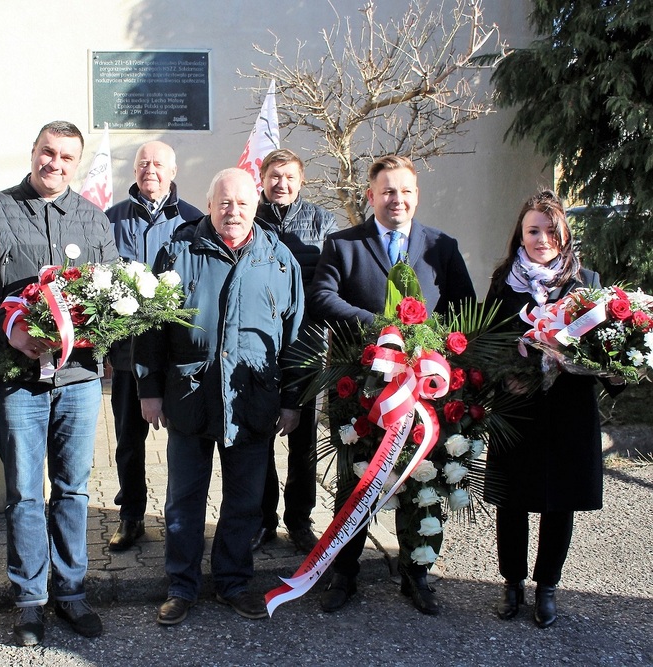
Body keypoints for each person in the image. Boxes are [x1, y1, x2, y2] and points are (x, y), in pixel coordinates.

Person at [0, 121, 118, 646]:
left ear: (77, 162)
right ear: (33, 152)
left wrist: (97, 331)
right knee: (24, 493)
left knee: (72, 489)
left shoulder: (93, 218)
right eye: (49, 153)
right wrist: (9, 327)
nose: (56, 164)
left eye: (68, 157)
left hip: (78, 378)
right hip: (18, 377)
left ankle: (71, 593)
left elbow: (111, 288)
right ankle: (29, 600)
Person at [307, 155, 475, 615]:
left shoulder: (441, 246)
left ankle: (416, 572)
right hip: (360, 390)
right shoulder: (343, 245)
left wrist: (428, 342)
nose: (396, 199)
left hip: (423, 389)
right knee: (357, 480)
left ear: (416, 196)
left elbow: (465, 308)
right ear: (371, 195)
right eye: (386, 191)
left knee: (422, 475)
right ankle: (345, 574)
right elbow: (322, 297)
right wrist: (382, 328)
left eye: (405, 191)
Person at [135, 168, 304, 626]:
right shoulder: (177, 251)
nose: (233, 212)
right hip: (189, 398)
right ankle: (182, 586)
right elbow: (150, 328)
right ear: (209, 205)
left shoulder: (279, 259)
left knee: (244, 501)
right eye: (224, 202)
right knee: (184, 500)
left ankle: (233, 582)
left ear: (256, 207)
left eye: (243, 204)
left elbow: (295, 337)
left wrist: (292, 399)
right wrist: (148, 391)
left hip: (252, 400)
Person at [484, 189, 611, 629]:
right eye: (533, 230)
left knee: (560, 501)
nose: (541, 239)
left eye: (550, 231)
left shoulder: (586, 283)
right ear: (520, 235)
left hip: (567, 408)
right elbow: (489, 340)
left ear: (564, 235)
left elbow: (602, 347)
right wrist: (506, 374)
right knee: (512, 499)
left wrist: (609, 371)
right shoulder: (504, 280)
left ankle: (548, 587)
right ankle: (512, 584)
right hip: (517, 406)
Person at [104, 141, 202, 552]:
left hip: (178, 354)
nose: (151, 170)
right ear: (134, 170)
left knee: (185, 439)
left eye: (158, 164)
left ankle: (182, 518)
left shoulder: (196, 220)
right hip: (129, 354)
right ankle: (131, 517)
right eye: (143, 164)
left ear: (173, 169)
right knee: (129, 440)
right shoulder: (109, 221)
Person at [252, 148, 339, 554]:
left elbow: (333, 283)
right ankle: (263, 519)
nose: (280, 183)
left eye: (288, 176)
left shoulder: (323, 223)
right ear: (263, 179)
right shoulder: (249, 219)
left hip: (306, 343)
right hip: (259, 344)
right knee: (260, 436)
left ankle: (299, 520)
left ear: (301, 181)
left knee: (302, 437)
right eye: (273, 176)